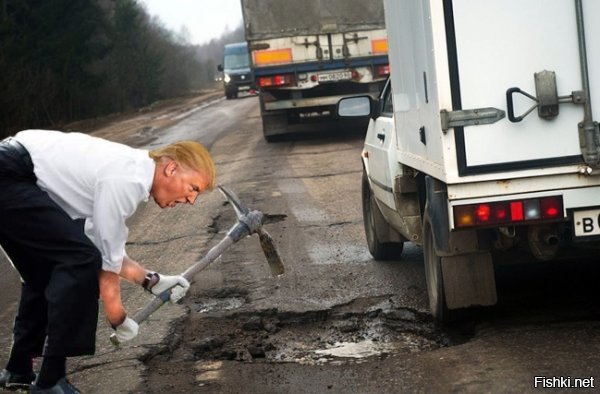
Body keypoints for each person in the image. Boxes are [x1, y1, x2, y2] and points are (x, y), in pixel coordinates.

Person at [0, 129, 216, 393]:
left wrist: (151, 280)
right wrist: (118, 317)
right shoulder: (128, 179)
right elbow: (102, 262)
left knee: (45, 273)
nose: (191, 200)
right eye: (193, 188)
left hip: (12, 173)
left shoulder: (132, 171)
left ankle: (19, 369)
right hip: (10, 175)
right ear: (171, 168)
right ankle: (50, 381)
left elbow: (102, 245)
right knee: (79, 262)